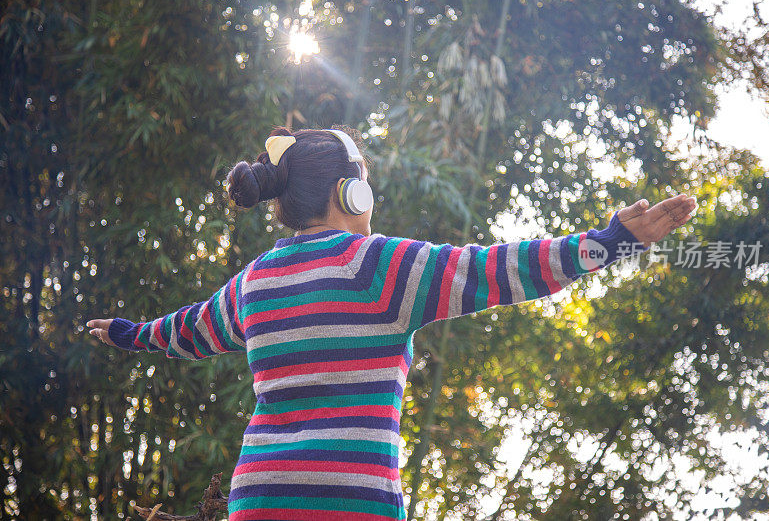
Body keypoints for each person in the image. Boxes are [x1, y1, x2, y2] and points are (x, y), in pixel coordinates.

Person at [87, 125, 697, 520]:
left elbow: (188, 330)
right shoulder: (378, 268)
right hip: (352, 503)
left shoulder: (254, 283)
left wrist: (128, 333)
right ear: (350, 192)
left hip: (260, 497)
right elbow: (497, 270)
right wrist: (609, 243)